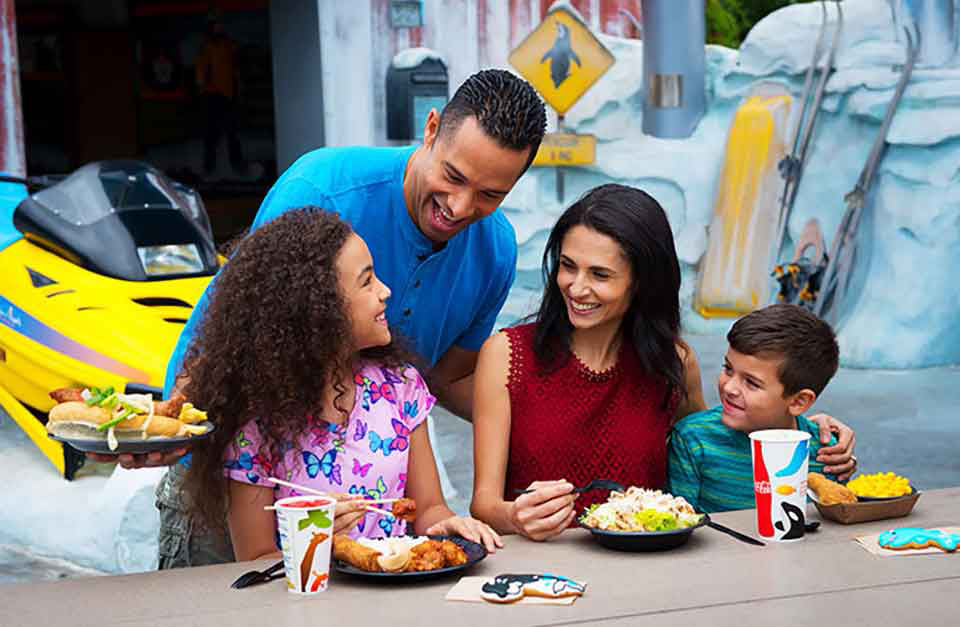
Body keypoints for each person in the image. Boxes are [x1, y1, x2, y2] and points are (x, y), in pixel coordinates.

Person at [113, 68, 545, 567]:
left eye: (490, 195)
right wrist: (171, 430)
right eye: (453, 176)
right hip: (236, 476)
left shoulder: (496, 253)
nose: (460, 206)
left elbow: (449, 377)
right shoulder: (322, 189)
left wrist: (551, 410)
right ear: (431, 131)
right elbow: (232, 331)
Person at [469, 184, 857, 542]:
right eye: (568, 266)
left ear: (642, 281)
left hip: (652, 571)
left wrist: (806, 427)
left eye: (600, 274)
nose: (576, 286)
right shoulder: (506, 355)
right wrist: (514, 516)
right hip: (542, 572)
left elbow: (718, 437)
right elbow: (484, 505)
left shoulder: (673, 361)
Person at [178, 207, 500, 566]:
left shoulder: (401, 386)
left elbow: (427, 509)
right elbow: (255, 558)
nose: (386, 291)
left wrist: (449, 526)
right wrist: (315, 541)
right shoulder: (258, 423)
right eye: (367, 282)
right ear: (317, 309)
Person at [666, 304, 841, 513]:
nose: (729, 388)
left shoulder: (827, 454)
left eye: (751, 383)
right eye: (728, 369)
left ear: (798, 402)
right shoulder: (692, 441)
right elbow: (678, 523)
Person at [195, 12, 244, 176]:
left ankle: (237, 166)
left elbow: (234, 69)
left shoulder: (228, 45)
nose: (219, 27)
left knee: (232, 132)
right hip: (212, 96)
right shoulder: (207, 47)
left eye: (220, 24)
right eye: (216, 24)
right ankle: (209, 168)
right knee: (211, 134)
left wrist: (237, 90)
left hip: (228, 95)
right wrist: (205, 88)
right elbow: (201, 73)